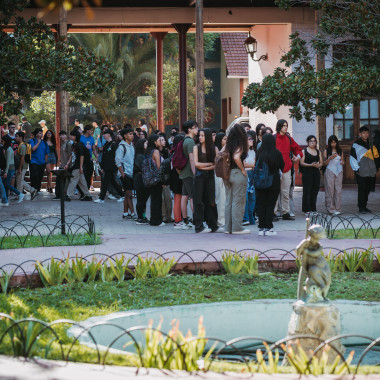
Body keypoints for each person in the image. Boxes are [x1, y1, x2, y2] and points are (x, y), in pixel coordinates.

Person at [255, 134, 285, 236]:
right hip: (273, 181)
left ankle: (261, 228)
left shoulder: (259, 153)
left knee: (262, 204)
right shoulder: (277, 153)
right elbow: (282, 166)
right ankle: (268, 228)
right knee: (270, 205)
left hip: (260, 182)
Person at [224, 124, 250, 234]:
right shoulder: (240, 144)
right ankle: (237, 228)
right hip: (237, 173)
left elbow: (221, 154)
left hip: (227, 173)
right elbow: (236, 157)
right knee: (238, 201)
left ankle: (228, 228)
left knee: (229, 201)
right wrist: (243, 170)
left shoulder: (228, 145)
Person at [274, 119, 303, 220]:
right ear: (279, 127)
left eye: (286, 125)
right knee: (275, 191)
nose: (286, 127)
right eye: (283, 126)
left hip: (287, 169)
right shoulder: (273, 138)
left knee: (285, 192)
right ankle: (274, 213)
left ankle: (285, 212)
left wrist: (298, 157)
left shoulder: (289, 138)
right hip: (275, 169)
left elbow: (297, 149)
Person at [193, 128, 220, 233]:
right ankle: (199, 226)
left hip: (209, 177)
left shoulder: (214, 148)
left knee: (211, 201)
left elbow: (216, 166)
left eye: (202, 135)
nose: (200, 137)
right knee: (198, 201)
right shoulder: (196, 148)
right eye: (199, 135)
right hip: (199, 177)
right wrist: (209, 164)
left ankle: (213, 225)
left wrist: (204, 167)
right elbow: (196, 164)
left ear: (207, 137)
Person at [350, 126, 380, 213]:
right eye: (363, 133)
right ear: (360, 134)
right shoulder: (355, 144)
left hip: (371, 171)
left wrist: (376, 167)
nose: (365, 134)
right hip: (361, 171)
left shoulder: (371, 144)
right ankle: (361, 207)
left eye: (367, 133)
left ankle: (364, 206)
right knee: (362, 188)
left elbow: (376, 156)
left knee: (368, 189)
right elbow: (352, 158)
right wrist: (357, 169)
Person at [94, 129, 125, 203]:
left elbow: (116, 156)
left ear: (109, 135)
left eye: (105, 134)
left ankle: (101, 198)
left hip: (111, 166)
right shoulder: (106, 144)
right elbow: (104, 157)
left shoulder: (114, 144)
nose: (103, 135)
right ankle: (123, 195)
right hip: (106, 166)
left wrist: (115, 165)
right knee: (112, 182)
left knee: (105, 181)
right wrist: (102, 167)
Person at [179, 121, 198, 229]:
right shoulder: (190, 142)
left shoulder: (184, 140)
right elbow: (192, 158)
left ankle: (185, 220)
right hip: (189, 173)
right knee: (192, 197)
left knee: (185, 196)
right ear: (189, 129)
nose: (197, 129)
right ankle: (196, 220)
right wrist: (194, 172)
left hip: (183, 173)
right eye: (195, 127)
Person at [65, 130, 92, 201]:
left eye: (72, 135)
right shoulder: (74, 144)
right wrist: (67, 164)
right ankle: (87, 195)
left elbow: (81, 156)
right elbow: (72, 155)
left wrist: (80, 167)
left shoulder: (79, 145)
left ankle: (68, 195)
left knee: (73, 179)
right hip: (76, 165)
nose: (70, 136)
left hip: (78, 165)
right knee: (81, 181)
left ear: (75, 136)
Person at [116, 128, 136, 219]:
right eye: (130, 134)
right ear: (125, 136)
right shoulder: (121, 147)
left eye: (132, 134)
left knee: (127, 194)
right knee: (129, 194)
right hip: (125, 174)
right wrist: (122, 174)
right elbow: (118, 161)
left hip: (131, 173)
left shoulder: (132, 146)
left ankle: (125, 213)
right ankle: (132, 213)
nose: (132, 136)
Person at [299, 135, 323, 214]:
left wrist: (318, 165)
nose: (313, 143)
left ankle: (313, 209)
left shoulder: (318, 151)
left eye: (314, 141)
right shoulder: (304, 151)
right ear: (308, 142)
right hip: (307, 173)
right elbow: (302, 163)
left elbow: (321, 163)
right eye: (311, 141)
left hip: (316, 173)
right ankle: (307, 209)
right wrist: (310, 165)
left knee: (315, 191)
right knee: (307, 191)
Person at [145, 135, 165, 226]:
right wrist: (162, 180)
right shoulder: (156, 151)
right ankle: (157, 220)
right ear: (154, 141)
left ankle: (154, 219)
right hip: (157, 179)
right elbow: (159, 166)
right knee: (157, 200)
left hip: (150, 178)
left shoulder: (148, 151)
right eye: (158, 140)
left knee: (154, 200)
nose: (160, 141)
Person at [323, 135, 344, 215]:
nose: (333, 144)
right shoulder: (326, 151)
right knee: (330, 190)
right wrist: (330, 158)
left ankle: (338, 208)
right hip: (330, 170)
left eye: (335, 142)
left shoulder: (340, 150)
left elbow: (342, 161)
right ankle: (331, 209)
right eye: (332, 143)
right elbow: (324, 164)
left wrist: (342, 162)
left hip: (339, 171)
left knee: (338, 190)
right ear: (329, 143)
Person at [15, 132, 38, 200]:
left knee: (19, 181)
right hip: (22, 166)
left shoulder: (22, 146)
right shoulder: (22, 145)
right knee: (20, 180)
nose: (15, 138)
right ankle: (32, 190)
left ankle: (19, 196)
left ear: (21, 137)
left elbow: (22, 158)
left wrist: (19, 168)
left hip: (21, 166)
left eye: (17, 136)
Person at [2, 135, 24, 203]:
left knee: (6, 184)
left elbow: (8, 161)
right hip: (11, 168)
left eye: (3, 141)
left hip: (10, 168)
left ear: (5, 141)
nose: (2, 142)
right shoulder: (9, 148)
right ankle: (5, 200)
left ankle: (19, 194)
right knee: (6, 184)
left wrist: (5, 172)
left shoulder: (8, 149)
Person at [133, 138, 150, 224]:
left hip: (142, 178)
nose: (147, 145)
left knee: (143, 199)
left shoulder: (144, 155)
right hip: (140, 178)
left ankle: (143, 216)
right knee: (141, 199)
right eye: (146, 143)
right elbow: (142, 167)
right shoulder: (140, 156)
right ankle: (140, 217)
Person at [53, 131, 72, 201]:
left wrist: (67, 164)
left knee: (65, 182)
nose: (61, 136)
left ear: (66, 135)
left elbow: (71, 155)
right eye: (60, 135)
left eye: (63, 135)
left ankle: (63, 195)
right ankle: (58, 195)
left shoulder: (68, 144)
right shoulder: (62, 144)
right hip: (62, 165)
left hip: (67, 166)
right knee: (59, 181)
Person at [170, 135, 184, 228]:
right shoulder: (177, 153)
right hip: (178, 178)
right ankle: (177, 220)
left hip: (174, 178)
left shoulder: (172, 152)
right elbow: (178, 167)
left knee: (177, 199)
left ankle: (179, 219)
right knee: (178, 200)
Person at [243, 130, 256, 225]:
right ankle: (245, 218)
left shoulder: (253, 152)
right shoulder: (242, 152)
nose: (252, 141)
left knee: (252, 197)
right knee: (245, 198)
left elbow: (254, 164)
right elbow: (243, 164)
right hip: (245, 174)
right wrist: (251, 165)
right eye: (249, 139)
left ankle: (251, 218)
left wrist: (251, 165)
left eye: (252, 139)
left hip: (252, 174)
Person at [30, 127, 49, 192]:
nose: (41, 134)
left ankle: (37, 190)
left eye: (42, 133)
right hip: (34, 161)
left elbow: (46, 153)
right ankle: (33, 190)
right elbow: (33, 149)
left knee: (40, 177)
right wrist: (38, 142)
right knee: (34, 176)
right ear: (36, 134)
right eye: (40, 133)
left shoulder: (44, 142)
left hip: (42, 162)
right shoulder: (32, 141)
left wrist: (45, 163)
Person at [158, 134, 172, 223]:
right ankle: (163, 216)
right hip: (159, 178)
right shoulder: (155, 152)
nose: (163, 141)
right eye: (161, 140)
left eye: (163, 140)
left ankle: (169, 216)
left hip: (167, 177)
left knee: (168, 198)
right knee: (162, 199)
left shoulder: (167, 151)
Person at [214, 132, 227, 226]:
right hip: (218, 175)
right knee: (221, 198)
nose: (226, 141)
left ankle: (225, 219)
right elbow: (218, 157)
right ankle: (220, 221)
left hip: (225, 174)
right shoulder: (216, 149)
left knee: (225, 198)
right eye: (224, 139)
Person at [80, 125, 97, 190]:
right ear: (87, 131)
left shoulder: (92, 138)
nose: (92, 131)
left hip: (90, 159)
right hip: (82, 159)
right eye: (91, 130)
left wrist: (96, 157)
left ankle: (87, 188)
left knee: (89, 174)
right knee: (83, 174)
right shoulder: (81, 138)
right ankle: (82, 189)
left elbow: (94, 149)